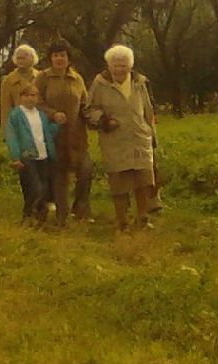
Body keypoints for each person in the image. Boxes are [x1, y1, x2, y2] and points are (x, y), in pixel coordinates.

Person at [84, 45, 159, 232]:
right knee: (119, 182)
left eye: (123, 65)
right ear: (109, 65)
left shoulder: (140, 82)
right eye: (116, 65)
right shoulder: (100, 83)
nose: (120, 69)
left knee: (143, 180)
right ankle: (122, 221)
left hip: (139, 137)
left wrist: (153, 136)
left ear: (130, 66)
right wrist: (103, 120)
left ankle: (142, 218)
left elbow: (149, 111)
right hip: (114, 140)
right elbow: (89, 110)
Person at [38, 40, 95, 226]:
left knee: (85, 171)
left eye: (62, 55)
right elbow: (34, 102)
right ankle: (62, 215)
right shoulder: (43, 78)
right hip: (53, 134)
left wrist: (95, 119)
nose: (59, 59)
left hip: (76, 134)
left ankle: (81, 209)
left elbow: (85, 105)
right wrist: (53, 114)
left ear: (68, 58)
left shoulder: (76, 79)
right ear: (50, 58)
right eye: (56, 55)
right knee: (60, 175)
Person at [6, 85, 60, 224]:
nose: (31, 99)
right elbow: (12, 136)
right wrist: (15, 156)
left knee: (44, 186)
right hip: (27, 156)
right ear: (21, 97)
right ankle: (28, 213)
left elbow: (46, 132)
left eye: (34, 95)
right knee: (35, 187)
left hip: (42, 155)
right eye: (28, 95)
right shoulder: (16, 114)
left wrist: (57, 125)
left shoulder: (40, 114)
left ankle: (40, 216)